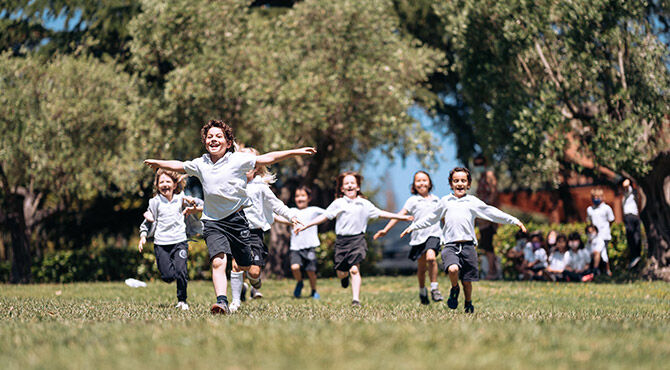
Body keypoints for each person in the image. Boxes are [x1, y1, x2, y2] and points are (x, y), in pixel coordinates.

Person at [144, 119, 315, 314]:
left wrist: (294, 152)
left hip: (237, 220)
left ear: (227, 141)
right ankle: (222, 302)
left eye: (218, 136)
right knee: (218, 261)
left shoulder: (237, 159)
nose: (213, 140)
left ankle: (251, 280)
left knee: (244, 264)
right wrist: (158, 162)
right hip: (212, 222)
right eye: (209, 137)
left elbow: (267, 159)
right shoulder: (201, 163)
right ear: (205, 141)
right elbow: (179, 165)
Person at [400, 167, 526, 313]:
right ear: (451, 184)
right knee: (453, 269)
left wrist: (514, 220)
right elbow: (431, 218)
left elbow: (491, 212)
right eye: (456, 181)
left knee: (467, 281)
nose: (459, 183)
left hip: (468, 246)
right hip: (450, 246)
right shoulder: (445, 201)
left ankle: (468, 302)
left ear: (468, 184)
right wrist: (413, 227)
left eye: (463, 181)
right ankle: (454, 288)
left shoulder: (472, 202)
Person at [294, 171, 413, 307]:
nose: (349, 185)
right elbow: (324, 216)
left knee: (355, 270)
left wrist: (401, 217)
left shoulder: (364, 204)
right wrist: (306, 225)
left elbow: (381, 213)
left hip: (357, 240)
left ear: (357, 187)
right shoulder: (338, 203)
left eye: (352, 183)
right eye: (346, 184)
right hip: (341, 241)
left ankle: (355, 300)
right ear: (342, 188)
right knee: (341, 272)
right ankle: (344, 279)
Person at [228, 147, 302, 313]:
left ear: (256, 168)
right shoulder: (231, 185)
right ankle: (235, 302)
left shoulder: (260, 187)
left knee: (254, 271)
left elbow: (276, 205)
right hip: (236, 231)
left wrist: (291, 217)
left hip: (255, 233)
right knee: (236, 265)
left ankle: (253, 282)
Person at [374, 171, 444, 305]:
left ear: (429, 183)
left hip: (434, 234)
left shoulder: (437, 200)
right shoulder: (412, 200)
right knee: (422, 268)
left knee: (431, 258)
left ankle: (434, 288)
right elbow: (401, 214)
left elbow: (444, 217)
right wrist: (386, 229)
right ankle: (422, 290)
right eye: (418, 181)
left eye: (424, 180)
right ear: (414, 185)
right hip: (418, 237)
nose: (422, 183)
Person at [138, 169, 203, 311]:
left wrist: (192, 202)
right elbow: (147, 222)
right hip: (161, 243)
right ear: (157, 185)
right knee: (167, 276)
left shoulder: (181, 198)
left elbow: (199, 204)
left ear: (174, 185)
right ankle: (173, 276)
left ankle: (182, 300)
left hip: (180, 241)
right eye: (161, 182)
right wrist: (143, 236)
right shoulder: (154, 202)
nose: (165, 184)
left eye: (168, 181)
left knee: (181, 271)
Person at [288, 186, 325, 299]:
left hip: (310, 246)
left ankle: (314, 290)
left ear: (309, 198)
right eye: (297, 196)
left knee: (310, 271)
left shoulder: (314, 210)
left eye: (303, 196)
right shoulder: (292, 211)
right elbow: (278, 217)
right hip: (295, 246)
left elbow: (328, 214)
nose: (300, 199)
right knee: (294, 267)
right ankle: (300, 282)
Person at [586, 188, 614, 274]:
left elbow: (611, 220)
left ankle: (606, 270)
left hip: (604, 234)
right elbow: (589, 222)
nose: (596, 199)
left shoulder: (606, 208)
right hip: (594, 236)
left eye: (598, 197)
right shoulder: (590, 209)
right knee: (594, 253)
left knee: (603, 253)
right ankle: (597, 271)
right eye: (594, 197)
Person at [621, 179, 642, 268]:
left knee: (636, 236)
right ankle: (634, 256)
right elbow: (625, 186)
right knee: (631, 236)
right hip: (629, 216)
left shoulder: (632, 192)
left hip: (634, 215)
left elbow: (627, 185)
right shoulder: (626, 194)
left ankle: (637, 255)